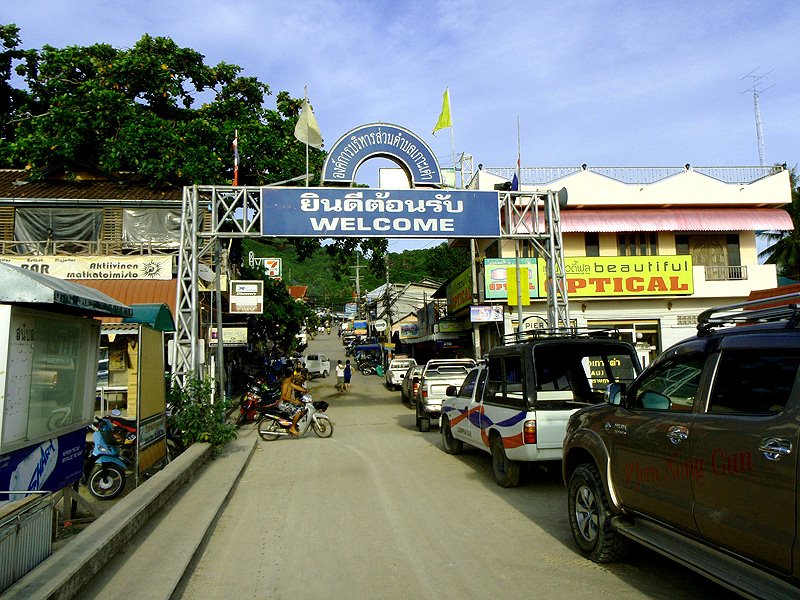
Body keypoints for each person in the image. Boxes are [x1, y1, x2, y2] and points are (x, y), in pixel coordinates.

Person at [279, 366, 307, 435]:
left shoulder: (289, 382)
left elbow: (296, 386)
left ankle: (294, 423)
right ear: (291, 375)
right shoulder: (285, 383)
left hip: (287, 403)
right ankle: (292, 427)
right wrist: (293, 401)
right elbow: (283, 397)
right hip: (283, 404)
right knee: (298, 411)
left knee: (303, 408)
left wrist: (305, 390)